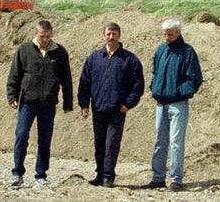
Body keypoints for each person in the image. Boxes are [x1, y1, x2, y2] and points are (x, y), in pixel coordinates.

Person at [6, 20, 73, 189]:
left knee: (45, 141)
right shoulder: (24, 50)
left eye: (48, 37)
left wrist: (68, 103)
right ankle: (17, 173)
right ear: (35, 34)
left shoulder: (59, 52)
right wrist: (12, 96)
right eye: (42, 36)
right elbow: (14, 75)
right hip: (27, 103)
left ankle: (41, 175)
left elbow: (66, 80)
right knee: (21, 137)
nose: (45, 40)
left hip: (48, 104)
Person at [78, 22, 144, 188]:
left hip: (117, 110)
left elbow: (138, 85)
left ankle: (108, 176)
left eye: (114, 34)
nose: (111, 37)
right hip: (98, 108)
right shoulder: (94, 58)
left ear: (119, 36)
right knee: (99, 144)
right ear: (103, 36)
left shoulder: (129, 59)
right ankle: (99, 174)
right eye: (108, 34)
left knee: (111, 145)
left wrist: (128, 104)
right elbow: (84, 82)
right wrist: (84, 104)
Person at [145, 19, 203, 192]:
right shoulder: (161, 50)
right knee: (159, 142)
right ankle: (158, 178)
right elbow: (155, 71)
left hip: (178, 104)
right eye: (165, 34)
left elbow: (195, 80)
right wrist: (154, 87)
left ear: (178, 33)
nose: (167, 37)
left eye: (170, 34)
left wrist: (177, 92)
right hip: (161, 104)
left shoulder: (188, 52)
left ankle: (176, 180)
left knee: (176, 142)